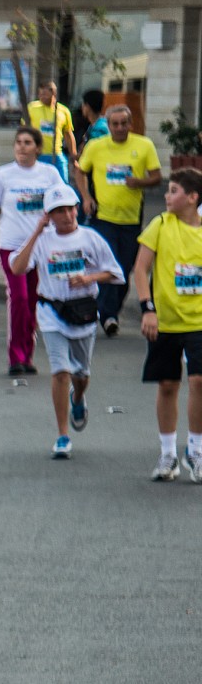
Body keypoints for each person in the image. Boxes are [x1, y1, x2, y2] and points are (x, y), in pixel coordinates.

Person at [11, 182, 118, 461]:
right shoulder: (43, 240)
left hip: (82, 313)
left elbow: (115, 273)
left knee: (81, 375)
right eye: (59, 211)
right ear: (49, 215)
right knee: (60, 371)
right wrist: (36, 231)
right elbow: (17, 267)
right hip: (51, 313)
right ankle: (62, 435)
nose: (67, 215)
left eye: (70, 209)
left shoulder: (90, 238)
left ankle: (78, 397)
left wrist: (89, 278)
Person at [132, 168, 202, 481]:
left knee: (199, 382)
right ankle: (168, 454)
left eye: (173, 190)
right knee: (168, 385)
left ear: (192, 197)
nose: (166, 195)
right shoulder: (160, 224)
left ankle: (196, 452)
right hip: (166, 321)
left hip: (198, 321)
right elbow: (140, 268)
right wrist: (148, 310)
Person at [0, 127, 62, 377]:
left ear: (38, 148)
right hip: (11, 247)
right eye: (18, 142)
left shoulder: (49, 174)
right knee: (18, 299)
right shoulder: (4, 175)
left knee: (33, 303)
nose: (22, 147)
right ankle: (15, 356)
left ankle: (27, 356)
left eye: (28, 142)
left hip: (41, 249)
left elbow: (62, 205)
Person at [77, 104, 161, 333]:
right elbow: (80, 171)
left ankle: (110, 310)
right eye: (115, 124)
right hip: (103, 217)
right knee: (107, 265)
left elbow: (156, 177)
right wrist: (85, 197)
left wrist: (139, 182)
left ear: (130, 124)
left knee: (123, 271)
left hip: (131, 220)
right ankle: (108, 316)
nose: (120, 128)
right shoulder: (96, 146)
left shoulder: (144, 145)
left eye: (124, 123)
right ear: (109, 125)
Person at [26, 80, 79, 186]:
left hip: (56, 154)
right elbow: (24, 130)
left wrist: (74, 157)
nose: (42, 97)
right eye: (40, 94)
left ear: (53, 93)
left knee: (62, 185)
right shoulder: (32, 107)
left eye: (45, 94)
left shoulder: (63, 111)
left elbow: (68, 135)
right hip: (38, 155)